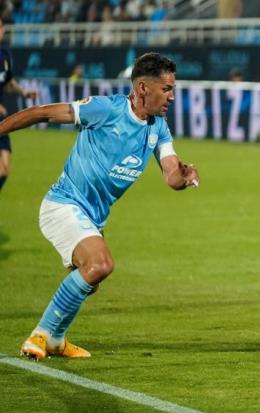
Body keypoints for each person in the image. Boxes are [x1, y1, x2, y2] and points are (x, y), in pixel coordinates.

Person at [0, 52, 200, 360]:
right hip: (63, 205)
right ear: (143, 88)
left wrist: (184, 177)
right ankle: (40, 335)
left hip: (93, 218)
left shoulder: (158, 127)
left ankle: (56, 340)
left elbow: (171, 174)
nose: (172, 96)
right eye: (167, 88)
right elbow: (43, 113)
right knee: (100, 265)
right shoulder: (106, 110)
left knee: (91, 280)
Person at [0, 17, 38, 193]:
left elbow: (8, 83)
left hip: (1, 121)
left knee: (4, 170)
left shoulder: (5, 55)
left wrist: (23, 92)